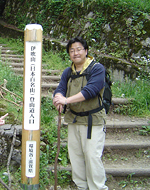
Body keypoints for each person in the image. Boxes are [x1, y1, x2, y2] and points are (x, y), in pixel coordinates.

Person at [52, 37, 108, 190]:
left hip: (93, 121)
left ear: (86, 51)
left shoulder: (97, 69)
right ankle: (81, 186)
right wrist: (57, 97)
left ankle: (97, 187)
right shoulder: (68, 72)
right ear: (69, 54)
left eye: (78, 49)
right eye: (71, 50)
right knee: (75, 156)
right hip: (74, 120)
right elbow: (60, 89)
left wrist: (66, 100)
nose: (75, 53)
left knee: (92, 156)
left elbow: (90, 91)